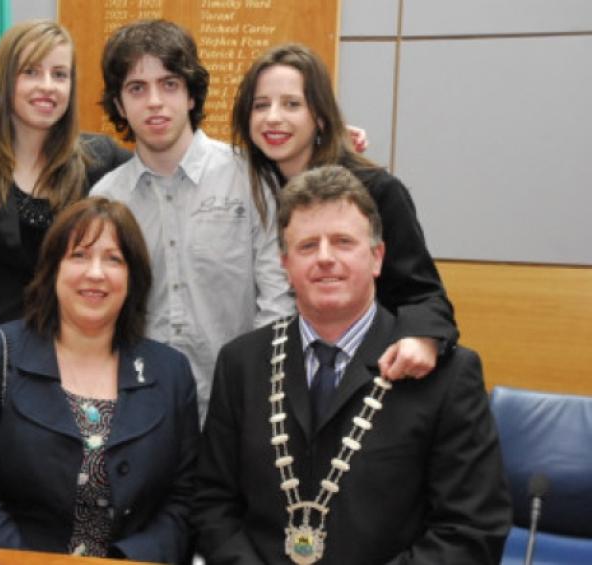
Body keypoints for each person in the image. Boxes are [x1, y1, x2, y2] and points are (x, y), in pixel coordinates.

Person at [193, 165, 511, 564]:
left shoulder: (446, 375)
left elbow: (471, 531)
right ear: (285, 265)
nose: (325, 258)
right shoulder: (241, 364)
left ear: (377, 257)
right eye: (307, 246)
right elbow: (211, 503)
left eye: (343, 242)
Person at [0, 197, 199, 562]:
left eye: (113, 259)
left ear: (132, 278)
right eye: (79, 255)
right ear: (52, 270)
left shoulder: (171, 372)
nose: (95, 273)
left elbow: (184, 501)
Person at [89, 19, 295, 420]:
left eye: (168, 84)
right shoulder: (105, 199)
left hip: (240, 409)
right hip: (139, 413)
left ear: (190, 94)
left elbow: (278, 300)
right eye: (136, 88)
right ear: (118, 105)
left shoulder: (250, 178)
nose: (154, 101)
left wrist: (256, 390)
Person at [0, 20, 130, 410]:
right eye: (32, 72)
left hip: (77, 365)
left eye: (60, 75)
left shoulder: (101, 159)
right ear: (5, 79)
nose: (48, 87)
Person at [232, 43, 458, 381]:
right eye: (260, 105)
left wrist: (422, 338)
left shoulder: (377, 191)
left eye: (292, 104)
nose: (273, 117)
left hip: (368, 376)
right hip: (277, 375)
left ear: (320, 116)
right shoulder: (246, 188)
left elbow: (423, 294)